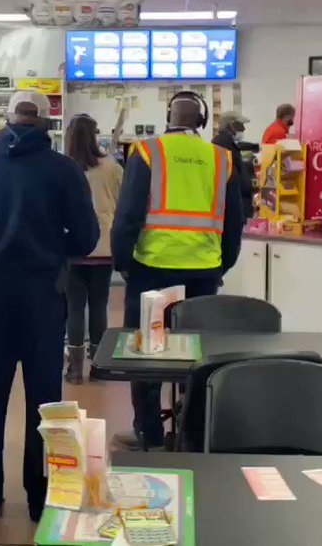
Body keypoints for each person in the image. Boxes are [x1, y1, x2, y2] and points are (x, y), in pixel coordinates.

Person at [0, 91, 99, 521]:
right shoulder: (64, 171)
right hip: (44, 296)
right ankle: (40, 498)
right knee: (45, 402)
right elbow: (86, 237)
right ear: (47, 122)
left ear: (9, 119)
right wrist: (54, 250)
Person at [110, 91, 245, 450]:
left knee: (146, 356)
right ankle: (192, 434)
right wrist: (221, 264)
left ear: (169, 116)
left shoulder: (146, 152)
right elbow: (235, 221)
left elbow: (128, 215)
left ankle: (150, 434)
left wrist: (123, 262)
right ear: (202, 122)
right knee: (198, 357)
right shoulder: (222, 159)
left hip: (152, 271)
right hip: (202, 274)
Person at [63, 113, 124, 384]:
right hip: (104, 245)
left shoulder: (63, 166)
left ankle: (75, 370)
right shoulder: (111, 167)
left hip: (72, 246)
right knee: (99, 305)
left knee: (74, 306)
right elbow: (123, 203)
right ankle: (99, 366)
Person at [211, 111, 255, 220]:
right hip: (230, 207)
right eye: (240, 126)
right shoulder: (224, 145)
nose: (243, 129)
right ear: (230, 126)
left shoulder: (226, 143)